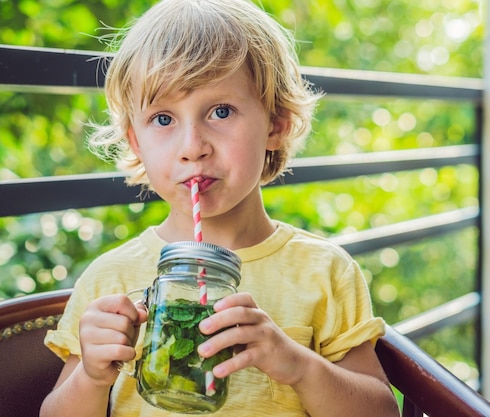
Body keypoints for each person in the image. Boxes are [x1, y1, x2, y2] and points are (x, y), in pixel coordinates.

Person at [40, 0, 400, 416]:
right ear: (136, 141)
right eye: (162, 119)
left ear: (276, 124)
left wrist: (299, 367)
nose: (193, 147)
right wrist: (92, 375)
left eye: (221, 111)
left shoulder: (324, 272)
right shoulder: (109, 280)